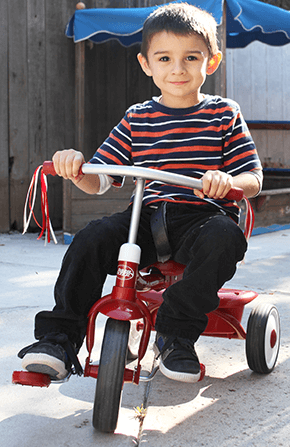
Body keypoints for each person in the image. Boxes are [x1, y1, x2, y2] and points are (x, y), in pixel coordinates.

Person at [18, 3, 262, 383]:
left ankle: (176, 334)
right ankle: (59, 340)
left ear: (210, 63)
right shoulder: (137, 117)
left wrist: (226, 181)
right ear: (147, 64)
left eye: (190, 58)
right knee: (93, 237)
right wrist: (75, 166)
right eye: (164, 58)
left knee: (224, 237)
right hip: (145, 219)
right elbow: (100, 179)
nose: (177, 69)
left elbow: (253, 177)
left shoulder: (224, 115)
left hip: (202, 217)